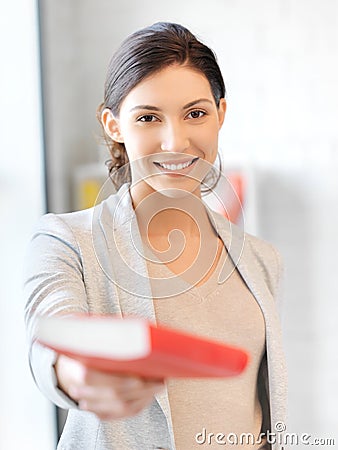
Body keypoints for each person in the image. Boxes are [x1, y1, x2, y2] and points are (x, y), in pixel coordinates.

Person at [24, 22, 287, 450]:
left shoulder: (262, 260)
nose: (174, 140)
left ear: (221, 114)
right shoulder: (66, 241)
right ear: (113, 125)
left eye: (196, 113)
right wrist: (75, 374)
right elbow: (51, 338)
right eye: (148, 117)